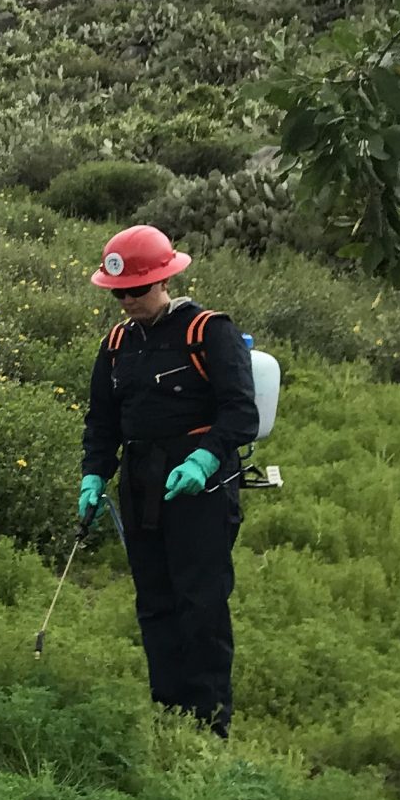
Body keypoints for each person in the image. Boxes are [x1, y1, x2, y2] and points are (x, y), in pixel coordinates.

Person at [78, 224, 259, 738]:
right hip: (140, 479)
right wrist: (94, 475)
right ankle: (169, 714)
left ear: (164, 280)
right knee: (154, 601)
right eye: (119, 293)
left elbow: (240, 412)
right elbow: (102, 421)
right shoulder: (116, 345)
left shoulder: (208, 331)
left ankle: (209, 726)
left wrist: (203, 461)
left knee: (199, 602)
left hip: (198, 482)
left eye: (136, 290)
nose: (127, 301)